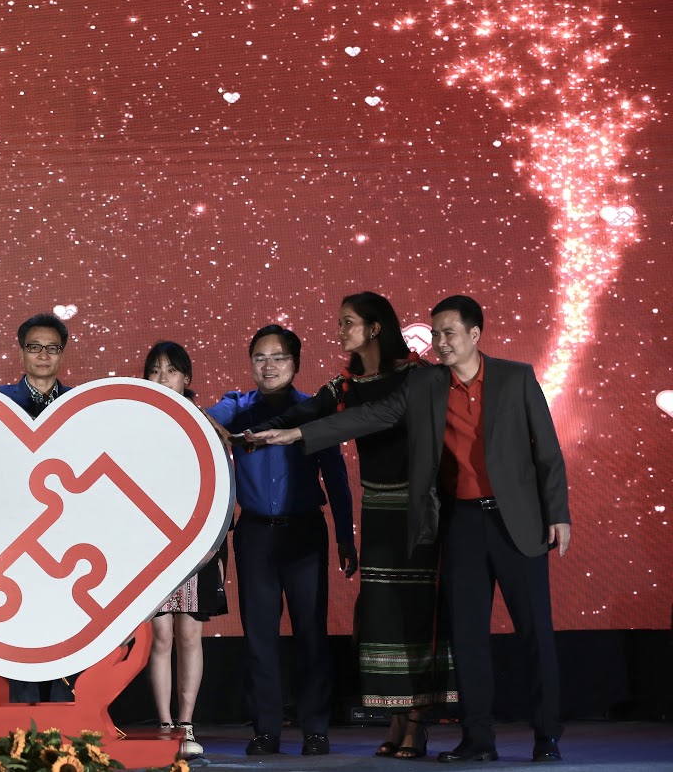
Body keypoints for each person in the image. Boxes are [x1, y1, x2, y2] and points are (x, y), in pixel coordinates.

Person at [251, 296, 570, 763]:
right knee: (467, 639)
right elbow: (369, 416)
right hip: (461, 523)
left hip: (517, 522)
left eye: (448, 333)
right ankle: (478, 741)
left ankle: (547, 738)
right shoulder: (426, 382)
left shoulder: (516, 377)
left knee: (535, 634)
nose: (439, 342)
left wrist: (558, 513)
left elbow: (548, 452)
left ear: (475, 334)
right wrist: (297, 434)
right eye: (435, 333)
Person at [249, 293, 453, 759]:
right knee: (384, 615)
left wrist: (295, 434)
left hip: (418, 508)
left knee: (417, 614)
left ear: (375, 327)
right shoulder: (346, 384)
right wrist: (257, 432)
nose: (340, 331)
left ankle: (417, 723)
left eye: (348, 323)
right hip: (377, 508)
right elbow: (304, 411)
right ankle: (397, 718)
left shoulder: (417, 376)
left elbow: (371, 417)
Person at [205, 324, 357, 758]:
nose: (268, 366)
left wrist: (344, 536)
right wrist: (220, 425)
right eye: (260, 358)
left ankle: (315, 729)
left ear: (296, 363)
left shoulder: (313, 410)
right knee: (259, 636)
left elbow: (336, 478)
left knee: (311, 632)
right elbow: (203, 421)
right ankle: (266, 729)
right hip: (255, 534)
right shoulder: (237, 406)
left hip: (305, 531)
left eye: (278, 357)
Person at [142, 341, 228, 761]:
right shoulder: (136, 423)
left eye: (171, 371)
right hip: (151, 547)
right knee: (160, 635)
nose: (163, 378)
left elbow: (223, 489)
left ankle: (187, 723)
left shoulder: (204, 425)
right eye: (155, 370)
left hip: (197, 547)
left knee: (190, 634)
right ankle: (164, 726)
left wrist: (214, 544)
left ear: (186, 378)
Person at [0, 312, 75, 704]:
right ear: (21, 352)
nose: (43, 356)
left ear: (62, 354)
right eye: (35, 347)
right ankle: (21, 709)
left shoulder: (78, 403)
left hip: (65, 529)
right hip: (15, 531)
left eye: (52, 348)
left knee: (68, 615)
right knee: (19, 617)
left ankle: (65, 706)